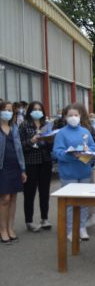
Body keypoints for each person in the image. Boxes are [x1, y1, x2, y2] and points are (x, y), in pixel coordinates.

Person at [53, 103, 95, 242]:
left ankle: (82, 227)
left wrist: (85, 155)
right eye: (70, 115)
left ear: (80, 116)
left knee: (83, 202)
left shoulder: (85, 131)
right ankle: (70, 229)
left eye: (76, 115)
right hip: (68, 173)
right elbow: (57, 152)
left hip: (84, 171)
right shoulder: (61, 133)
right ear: (65, 117)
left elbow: (92, 148)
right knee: (71, 203)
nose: (73, 117)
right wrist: (71, 155)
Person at [19, 101, 53, 232]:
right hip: (30, 163)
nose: (37, 111)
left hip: (45, 161)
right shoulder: (24, 125)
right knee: (29, 193)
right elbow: (20, 146)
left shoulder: (47, 125)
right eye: (35, 109)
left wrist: (49, 140)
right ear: (30, 111)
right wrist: (31, 141)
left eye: (40, 109)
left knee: (44, 192)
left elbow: (51, 146)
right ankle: (29, 221)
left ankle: (44, 218)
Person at [0, 101, 27, 244]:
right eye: (5, 109)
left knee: (13, 199)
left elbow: (19, 150)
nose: (8, 112)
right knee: (4, 199)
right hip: (2, 168)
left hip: (15, 166)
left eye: (10, 110)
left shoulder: (14, 127)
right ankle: (2, 230)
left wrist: (23, 169)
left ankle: (10, 228)